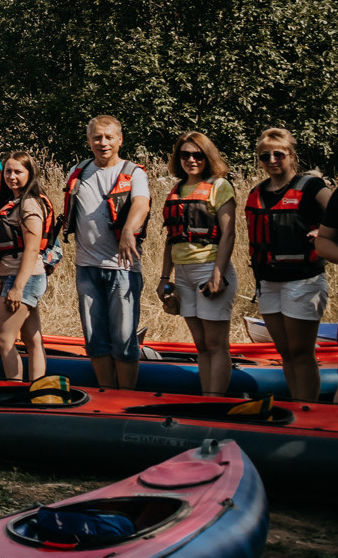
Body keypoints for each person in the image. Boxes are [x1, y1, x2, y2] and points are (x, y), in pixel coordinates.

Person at [60, 115, 151, 388]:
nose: (103, 143)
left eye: (109, 137)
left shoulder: (134, 172)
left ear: (120, 140)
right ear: (89, 141)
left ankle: (127, 398)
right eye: (97, 137)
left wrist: (127, 231)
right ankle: (106, 394)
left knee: (123, 339)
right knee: (95, 339)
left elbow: (141, 203)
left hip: (122, 268)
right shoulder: (78, 171)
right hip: (86, 267)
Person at [242, 127, 331, 402]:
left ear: (291, 156)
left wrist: (324, 233)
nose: (271, 160)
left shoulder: (312, 187)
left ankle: (309, 411)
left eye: (278, 154)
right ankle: (297, 404)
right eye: (264, 156)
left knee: (302, 352)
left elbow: (336, 215)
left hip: (303, 282)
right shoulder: (257, 192)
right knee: (285, 352)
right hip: (269, 283)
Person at [148, 132, 237, 397]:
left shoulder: (220, 186)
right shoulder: (176, 190)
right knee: (201, 344)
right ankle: (206, 397)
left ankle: (215, 401)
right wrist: (165, 278)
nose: (191, 160)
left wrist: (217, 275)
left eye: (197, 154)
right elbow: (171, 238)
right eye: (185, 155)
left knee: (216, 343)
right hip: (183, 274)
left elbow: (229, 234)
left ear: (207, 156)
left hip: (209, 269)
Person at [0, 152, 49, 383]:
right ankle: (38, 387)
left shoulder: (29, 203)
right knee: (32, 338)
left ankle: (15, 385)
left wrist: (17, 287)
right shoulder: (12, 202)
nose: (11, 176)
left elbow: (31, 248)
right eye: (8, 171)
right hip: (15, 275)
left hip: (24, 277)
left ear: (30, 174)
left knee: (3, 338)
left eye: (18, 172)